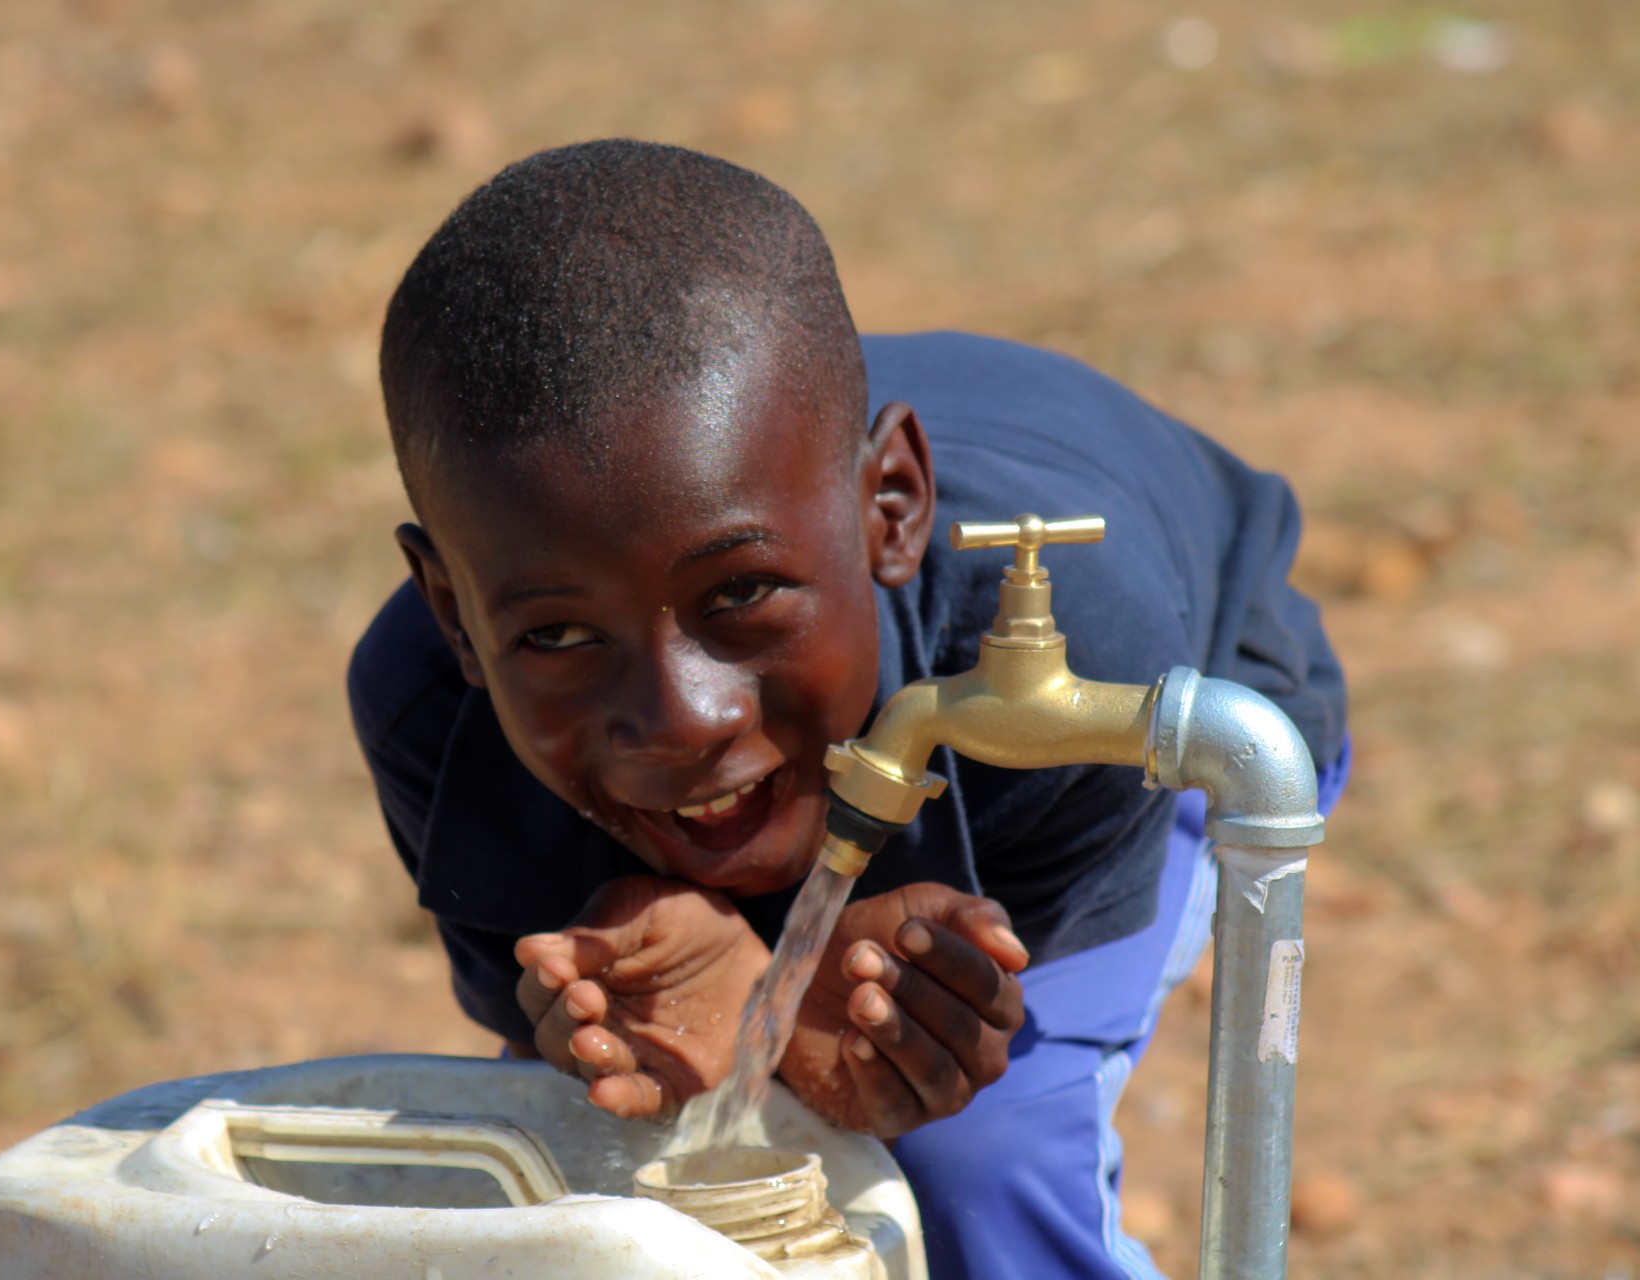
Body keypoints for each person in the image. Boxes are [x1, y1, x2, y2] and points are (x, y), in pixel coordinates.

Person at [347, 138, 1348, 1280]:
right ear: (454, 614)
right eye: (559, 636)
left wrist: (905, 1034)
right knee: (604, 1152)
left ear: (891, 509)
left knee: (980, 1158)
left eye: (740, 593)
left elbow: (971, 1050)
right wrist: (630, 931)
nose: (682, 716)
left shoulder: (1086, 645)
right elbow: (572, 1054)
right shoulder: (428, 707)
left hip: (1187, 681)